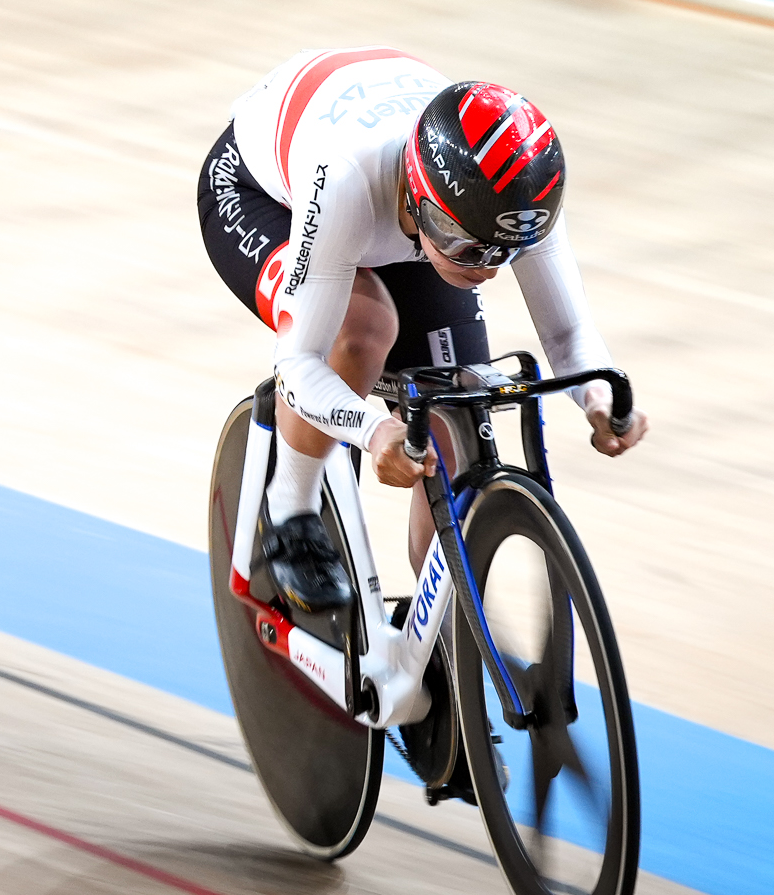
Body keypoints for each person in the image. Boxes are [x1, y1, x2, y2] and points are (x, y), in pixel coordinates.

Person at [197, 46, 649, 615]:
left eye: (505, 252)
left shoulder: (517, 199)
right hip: (263, 192)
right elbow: (300, 363)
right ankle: (291, 511)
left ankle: (438, 622)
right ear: (419, 198)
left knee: (459, 401)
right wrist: (371, 431)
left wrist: (600, 400)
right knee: (361, 330)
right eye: (465, 245)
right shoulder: (347, 176)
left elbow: (568, 336)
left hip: (403, 215)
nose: (484, 267)